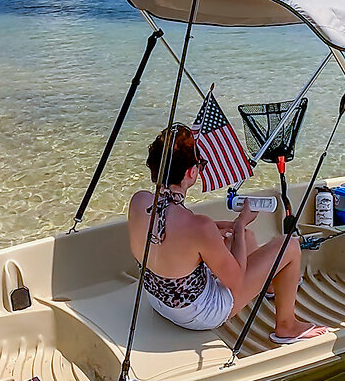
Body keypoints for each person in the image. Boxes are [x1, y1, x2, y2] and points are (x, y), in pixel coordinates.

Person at [127, 125, 328, 344]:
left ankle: (269, 286)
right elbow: (236, 283)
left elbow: (170, 229)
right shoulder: (199, 227)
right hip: (197, 315)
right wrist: (240, 224)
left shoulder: (140, 201)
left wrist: (229, 230)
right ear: (191, 173)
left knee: (245, 239)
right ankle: (287, 326)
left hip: (158, 299)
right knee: (289, 246)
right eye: (200, 165)